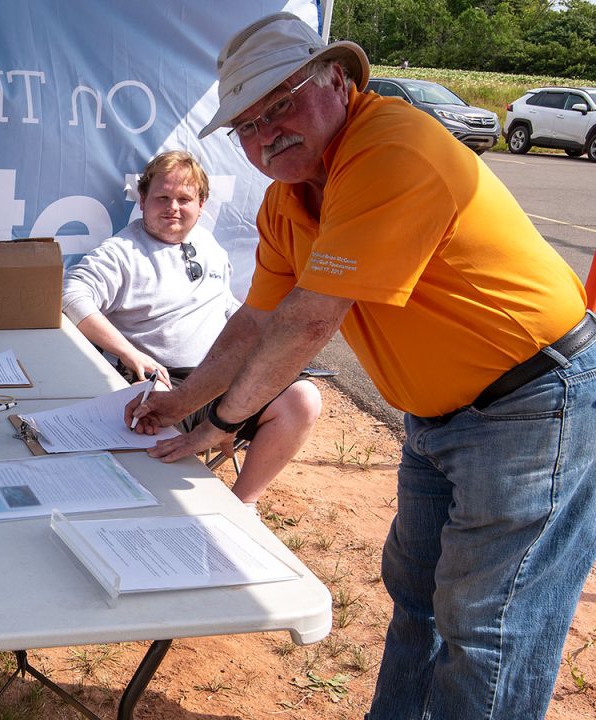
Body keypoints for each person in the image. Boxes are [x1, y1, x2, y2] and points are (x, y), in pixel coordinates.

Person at [129, 12, 595, 720]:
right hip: (441, 418)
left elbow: (311, 319)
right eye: (247, 126)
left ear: (339, 81)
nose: (267, 134)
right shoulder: (289, 199)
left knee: (489, 626)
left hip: (531, 404)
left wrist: (221, 421)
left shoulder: (390, 147)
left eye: (281, 104)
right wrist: (184, 399)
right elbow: (254, 321)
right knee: (418, 600)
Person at [63, 150, 320, 504]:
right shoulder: (122, 252)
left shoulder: (208, 245)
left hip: (225, 375)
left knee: (303, 399)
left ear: (201, 204)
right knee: (142, 442)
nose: (173, 208)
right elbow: (70, 295)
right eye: (162, 198)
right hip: (166, 386)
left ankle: (242, 507)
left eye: (184, 199)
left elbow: (226, 307)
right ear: (142, 200)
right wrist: (128, 351)